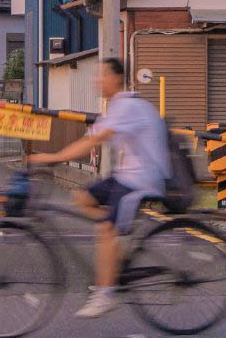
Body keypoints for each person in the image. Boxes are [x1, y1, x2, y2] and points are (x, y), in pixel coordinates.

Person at [26, 56, 170, 319]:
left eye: (102, 75)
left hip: (142, 179)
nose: (97, 80)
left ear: (116, 78)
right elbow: (90, 137)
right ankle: (116, 249)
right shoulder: (116, 106)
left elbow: (96, 140)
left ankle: (106, 293)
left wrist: (53, 158)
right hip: (126, 175)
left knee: (105, 229)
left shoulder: (127, 106)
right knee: (83, 198)